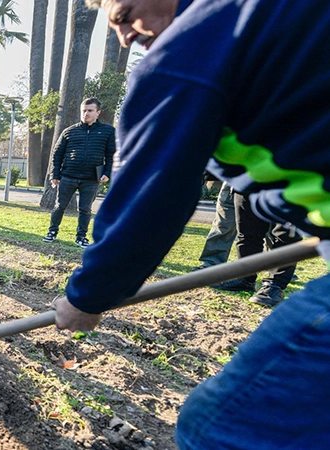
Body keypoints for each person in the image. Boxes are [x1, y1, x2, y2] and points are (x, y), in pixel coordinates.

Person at [58, 0, 330, 447]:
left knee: (215, 428)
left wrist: (87, 295)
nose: (124, 36)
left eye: (125, 15)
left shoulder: (185, 54)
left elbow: (150, 200)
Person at [42, 97, 116, 248]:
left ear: (98, 112)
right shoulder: (69, 131)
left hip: (91, 179)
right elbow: (57, 154)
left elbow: (111, 154)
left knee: (85, 209)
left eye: (90, 111)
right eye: (84, 111)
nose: (86, 114)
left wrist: (107, 173)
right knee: (59, 206)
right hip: (68, 176)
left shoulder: (108, 131)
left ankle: (81, 237)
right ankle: (52, 232)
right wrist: (55, 175)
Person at [210, 192, 300, 307]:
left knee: (285, 235)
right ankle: (245, 277)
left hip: (290, 182)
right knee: (247, 232)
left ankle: (275, 285)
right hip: (248, 180)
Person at [195, 181, 236, 270]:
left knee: (269, 228)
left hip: (268, 179)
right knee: (223, 223)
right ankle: (212, 263)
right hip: (234, 178)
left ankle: (272, 267)